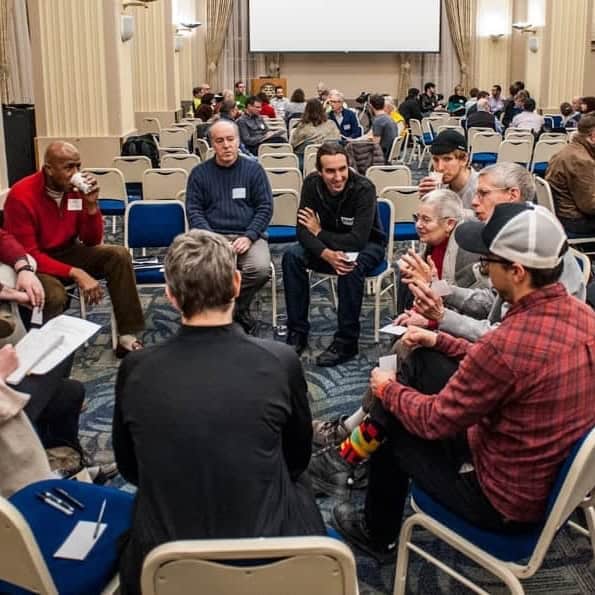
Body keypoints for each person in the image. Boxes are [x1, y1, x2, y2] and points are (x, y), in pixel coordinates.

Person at [328, 202, 595, 563]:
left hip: (500, 501)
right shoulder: (584, 316)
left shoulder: (508, 346)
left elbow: (434, 420)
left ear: (516, 272)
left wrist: (386, 388)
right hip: (542, 471)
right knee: (424, 359)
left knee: (395, 421)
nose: (484, 271)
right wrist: (438, 339)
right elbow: (506, 367)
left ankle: (376, 530)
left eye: (487, 264)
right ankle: (352, 455)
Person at [113, 229, 325, 595]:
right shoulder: (280, 360)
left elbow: (131, 468)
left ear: (170, 294)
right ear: (238, 283)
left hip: (164, 563)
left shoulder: (135, 368)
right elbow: (296, 459)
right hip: (270, 555)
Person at [3, 142, 145, 356]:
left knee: (118, 255)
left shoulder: (74, 191)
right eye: (69, 167)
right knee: (54, 294)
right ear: (49, 169)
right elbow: (29, 253)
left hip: (68, 249)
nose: (76, 173)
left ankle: (127, 335)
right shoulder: (22, 195)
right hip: (35, 262)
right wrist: (75, 273)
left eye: (78, 166)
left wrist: (91, 207)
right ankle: (44, 351)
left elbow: (91, 240)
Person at [282, 143, 386, 367]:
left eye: (342, 169)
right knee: (291, 256)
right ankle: (297, 332)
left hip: (369, 244)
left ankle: (347, 341)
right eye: (330, 171)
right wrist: (326, 253)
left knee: (349, 264)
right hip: (327, 245)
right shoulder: (311, 184)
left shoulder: (364, 188)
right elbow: (302, 231)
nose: (338, 177)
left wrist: (319, 232)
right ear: (320, 172)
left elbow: (357, 240)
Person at [185, 120, 273, 333]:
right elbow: (194, 211)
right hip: (211, 236)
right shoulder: (199, 173)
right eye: (220, 141)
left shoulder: (254, 170)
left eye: (230, 139)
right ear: (212, 145)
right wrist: (213, 239)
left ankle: (232, 310)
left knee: (260, 269)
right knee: (201, 271)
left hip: (248, 235)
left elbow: (265, 208)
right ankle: (229, 313)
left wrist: (250, 236)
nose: (226, 145)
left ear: (238, 141)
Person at [546, 112, 595, 235]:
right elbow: (590, 206)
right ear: (593, 136)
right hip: (575, 220)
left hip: (562, 214)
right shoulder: (582, 160)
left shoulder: (569, 150)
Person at [418, 130, 479, 209]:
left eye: (447, 159)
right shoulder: (438, 187)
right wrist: (427, 203)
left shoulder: (481, 189)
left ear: (464, 159)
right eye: (436, 160)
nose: (440, 168)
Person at [368, 94, 398, 164]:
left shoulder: (378, 120)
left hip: (382, 155)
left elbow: (376, 144)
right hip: (389, 152)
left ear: (371, 106)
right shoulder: (389, 118)